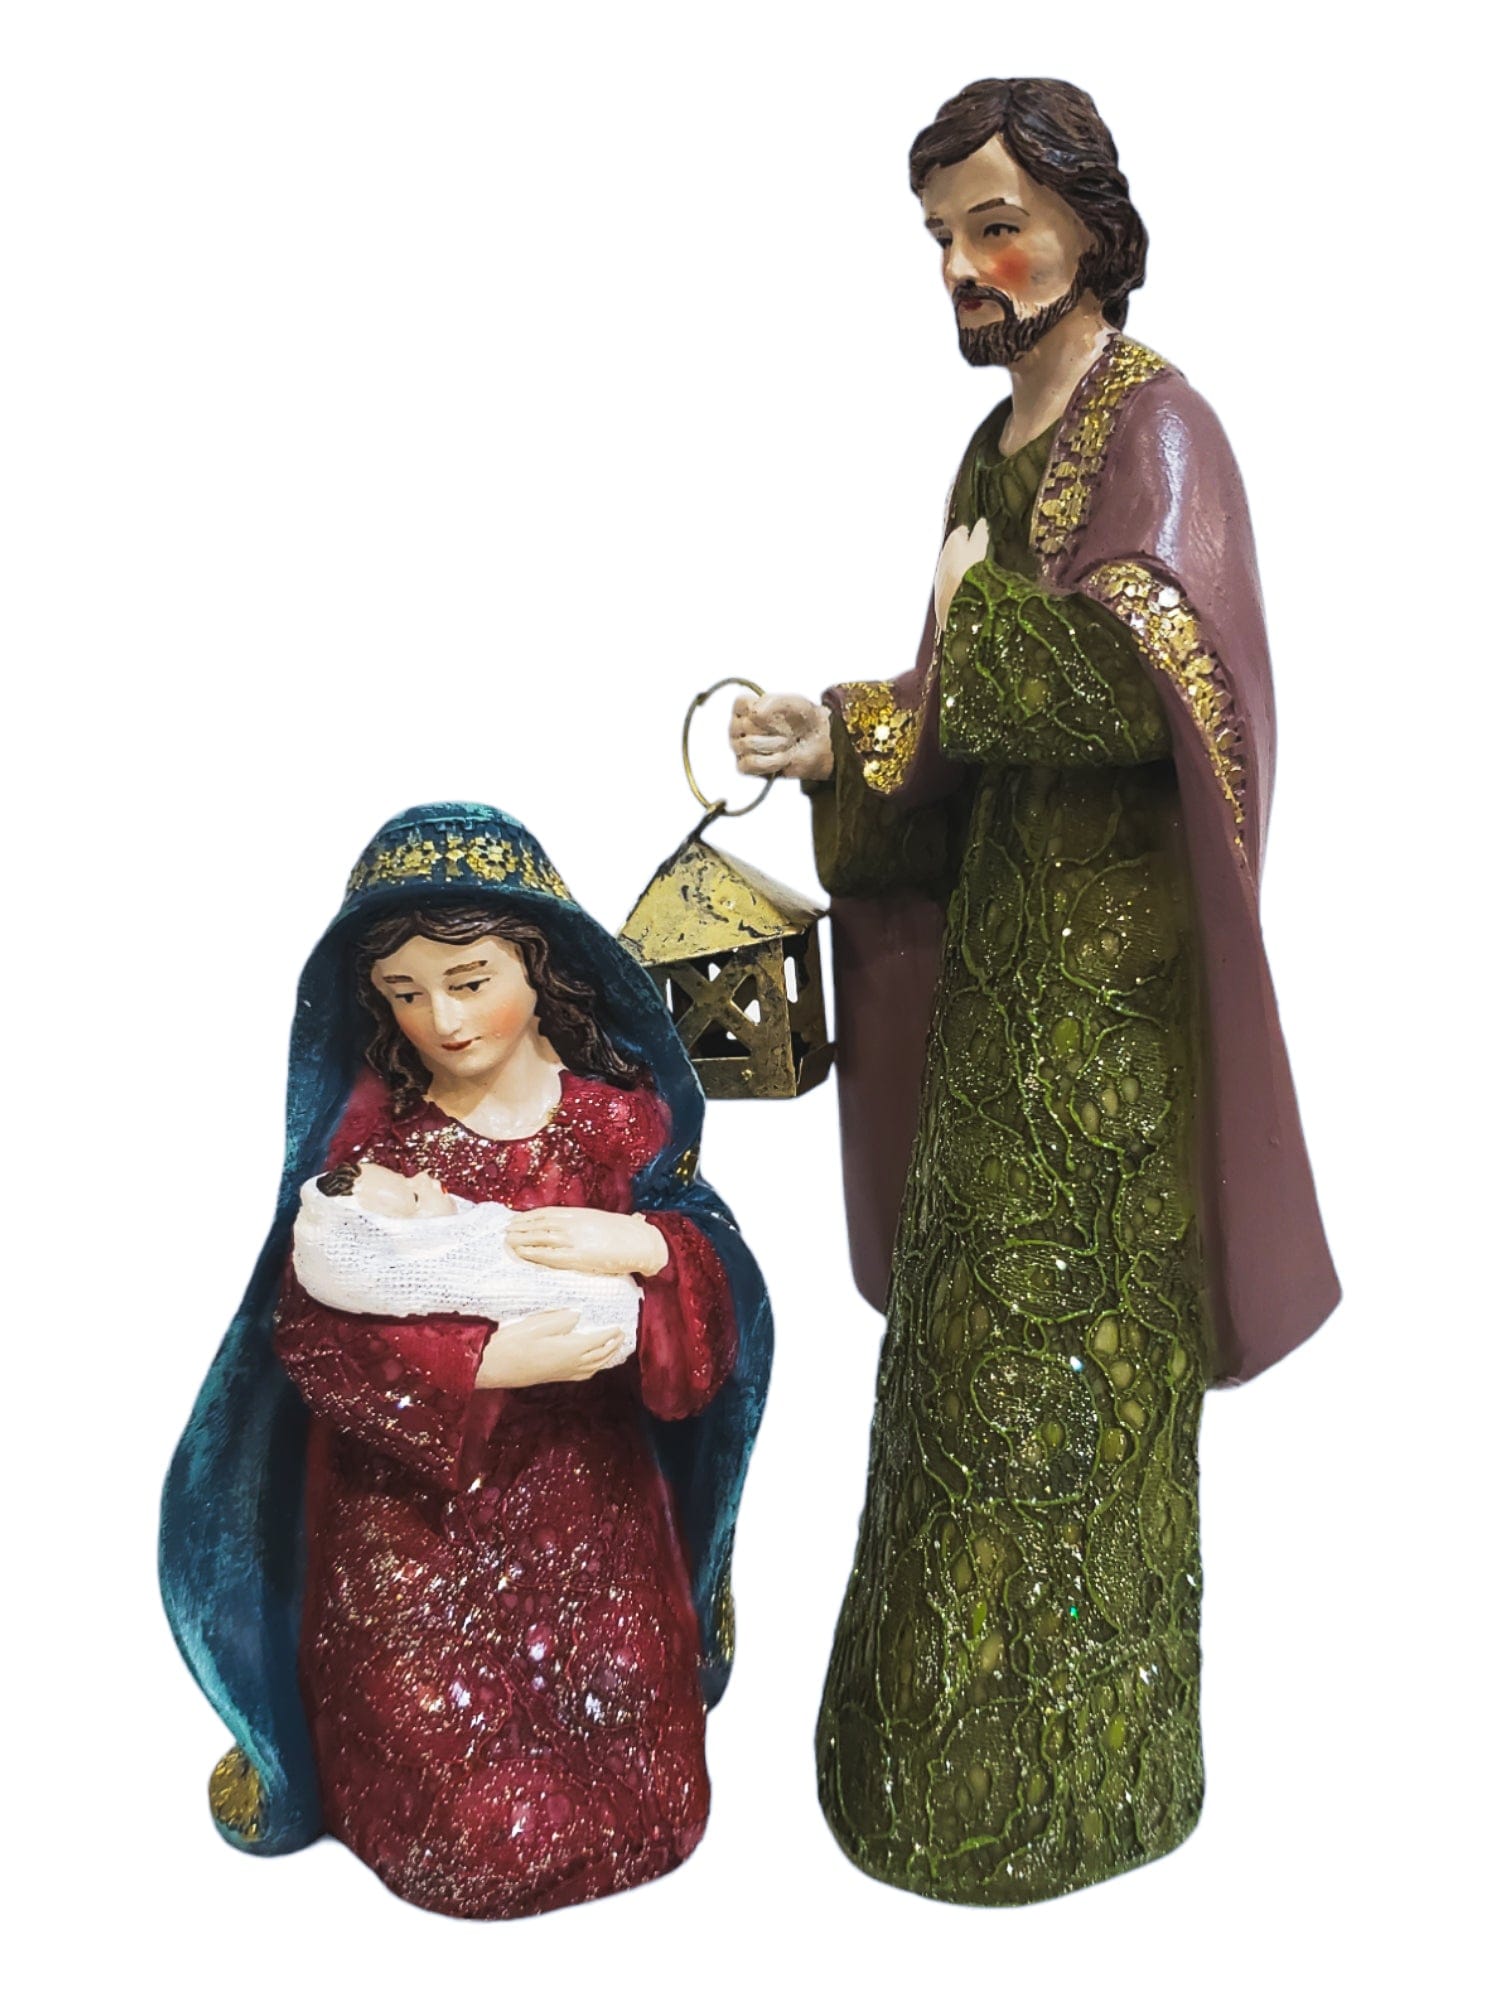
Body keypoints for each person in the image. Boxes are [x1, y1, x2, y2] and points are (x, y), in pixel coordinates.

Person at [732, 77, 1338, 1905]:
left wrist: (978, 623)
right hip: (997, 985)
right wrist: (840, 731)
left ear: (1089, 227)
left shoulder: (1162, 430)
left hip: (1114, 1024)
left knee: (1082, 1380)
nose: (964, 268)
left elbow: (1164, 689)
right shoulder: (991, 455)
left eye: (994, 227)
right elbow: (953, 706)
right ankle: (925, 1765)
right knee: (959, 1360)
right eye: (941, 237)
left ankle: (1098, 1779)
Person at [160, 802, 771, 1918]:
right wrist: (481, 1361)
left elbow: (727, 1295)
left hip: (591, 1511)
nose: (440, 1018)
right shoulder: (376, 1150)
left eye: (469, 978)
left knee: (643, 1782)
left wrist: (646, 1246)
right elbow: (312, 1336)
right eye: (404, 992)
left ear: (542, 966)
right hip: (418, 1533)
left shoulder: (621, 1127)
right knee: (475, 1827)